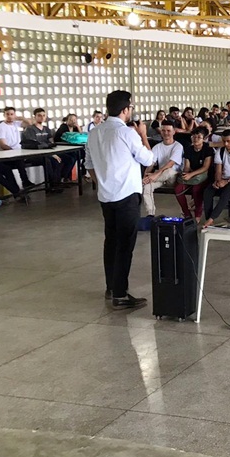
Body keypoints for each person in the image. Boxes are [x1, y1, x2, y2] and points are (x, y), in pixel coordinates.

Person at [84, 90, 153, 309]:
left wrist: (102, 184)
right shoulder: (126, 133)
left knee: (111, 242)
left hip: (106, 196)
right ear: (125, 110)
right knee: (125, 245)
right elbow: (149, 159)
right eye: (130, 108)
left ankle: (111, 287)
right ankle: (120, 294)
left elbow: (89, 166)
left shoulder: (95, 132)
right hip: (126, 196)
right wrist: (143, 134)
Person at [202, 129, 230, 227]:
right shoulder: (220, 151)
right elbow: (218, 170)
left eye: (228, 141)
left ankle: (211, 218)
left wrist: (227, 181)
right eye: (224, 141)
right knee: (207, 192)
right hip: (223, 179)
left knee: (226, 194)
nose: (226, 144)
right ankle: (208, 218)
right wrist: (218, 181)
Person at [141, 121, 183, 217]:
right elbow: (151, 164)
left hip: (173, 177)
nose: (166, 133)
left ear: (173, 132)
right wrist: (146, 175)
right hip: (160, 178)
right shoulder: (157, 147)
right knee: (147, 187)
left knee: (169, 171)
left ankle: (146, 180)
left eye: (168, 130)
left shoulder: (178, 146)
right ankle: (150, 214)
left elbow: (171, 163)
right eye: (163, 130)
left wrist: (154, 175)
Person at [22, 108, 65, 192]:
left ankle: (56, 183)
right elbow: (34, 145)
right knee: (47, 161)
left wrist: (52, 152)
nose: (42, 117)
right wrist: (50, 153)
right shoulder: (30, 129)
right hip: (34, 155)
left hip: (47, 153)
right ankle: (51, 185)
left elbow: (50, 142)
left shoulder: (47, 129)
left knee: (59, 160)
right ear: (34, 117)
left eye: (43, 115)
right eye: (39, 115)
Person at [175, 127, 213, 221]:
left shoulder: (207, 149)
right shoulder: (189, 149)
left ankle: (198, 215)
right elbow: (187, 166)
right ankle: (187, 213)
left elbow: (205, 167)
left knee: (197, 189)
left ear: (204, 139)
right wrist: (186, 173)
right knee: (178, 189)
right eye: (194, 137)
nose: (195, 139)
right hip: (192, 175)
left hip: (204, 176)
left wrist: (191, 175)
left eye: (199, 137)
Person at [0, 106, 35, 189]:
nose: (9, 116)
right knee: (19, 160)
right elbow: (2, 145)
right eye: (7, 114)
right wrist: (13, 152)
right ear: (4, 115)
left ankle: (25, 181)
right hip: (8, 153)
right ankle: (25, 181)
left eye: (12, 114)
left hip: (20, 151)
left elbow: (30, 123)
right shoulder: (1, 127)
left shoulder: (16, 124)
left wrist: (20, 117)